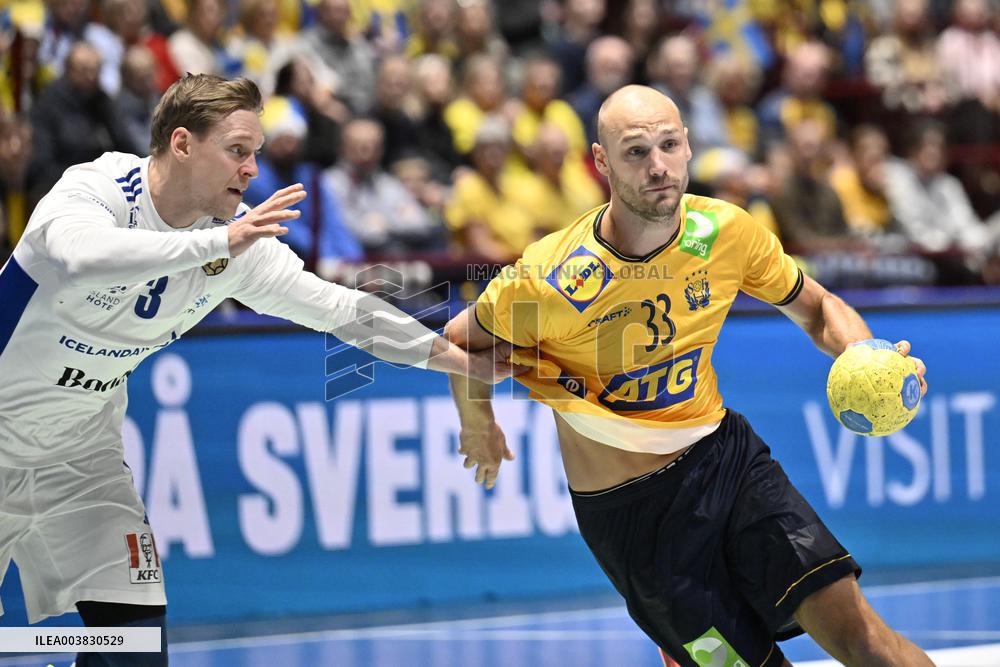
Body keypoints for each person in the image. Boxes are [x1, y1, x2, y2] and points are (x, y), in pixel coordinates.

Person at [0, 73, 517, 666]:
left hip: (80, 455)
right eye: (237, 151)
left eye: (256, 154)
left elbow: (340, 309)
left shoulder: (235, 240)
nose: (250, 170)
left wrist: (454, 359)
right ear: (183, 144)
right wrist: (216, 244)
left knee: (135, 649)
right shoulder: (99, 188)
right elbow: (80, 256)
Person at [443, 85, 934, 667]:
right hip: (635, 524)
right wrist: (478, 424)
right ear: (600, 162)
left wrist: (868, 355)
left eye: (669, 145)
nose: (657, 166)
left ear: (687, 146)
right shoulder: (549, 277)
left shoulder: (724, 232)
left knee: (867, 642)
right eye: (635, 151)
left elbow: (818, 306)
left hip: (726, 464)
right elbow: (461, 341)